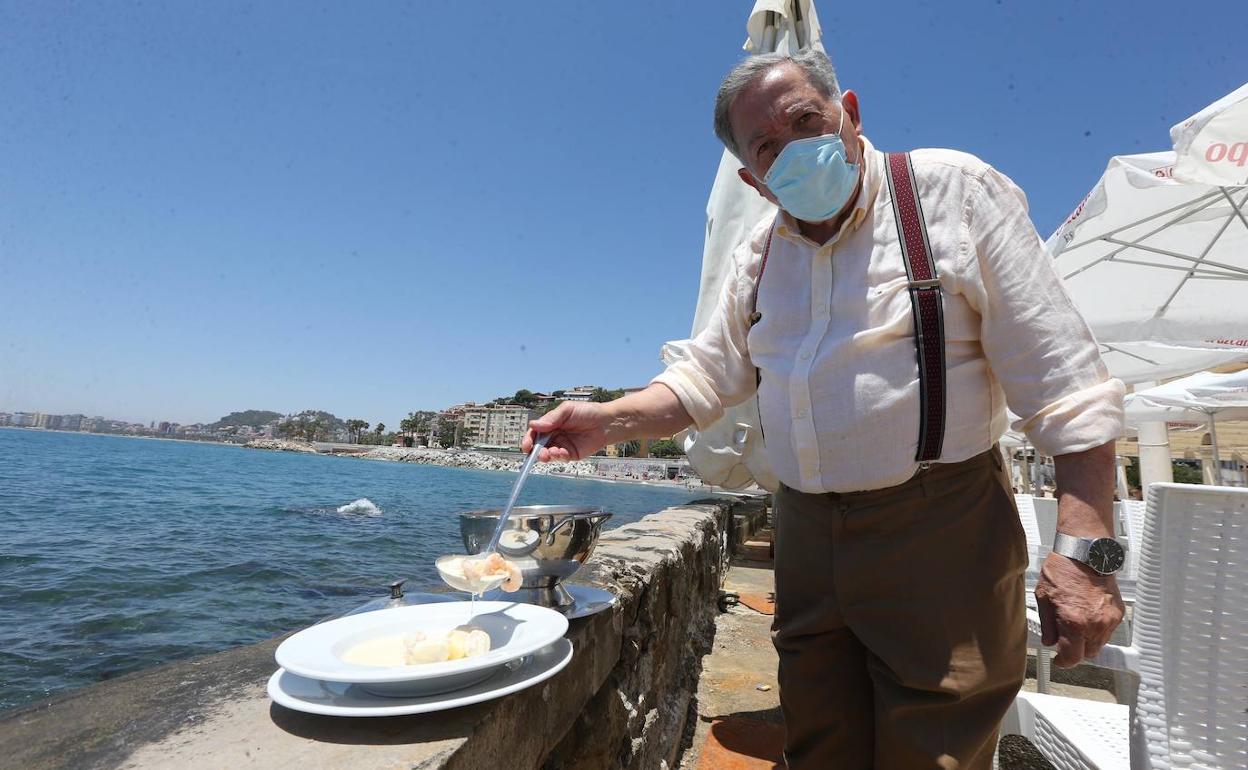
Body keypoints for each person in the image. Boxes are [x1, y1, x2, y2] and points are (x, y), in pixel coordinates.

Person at [525, 49, 1125, 769]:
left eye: (806, 120)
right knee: (818, 739)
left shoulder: (951, 193)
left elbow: (1065, 382)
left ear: (851, 113)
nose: (795, 151)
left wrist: (1087, 553)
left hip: (942, 529)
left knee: (935, 748)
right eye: (769, 147)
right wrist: (607, 420)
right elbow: (707, 378)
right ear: (753, 177)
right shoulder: (759, 256)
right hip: (805, 530)